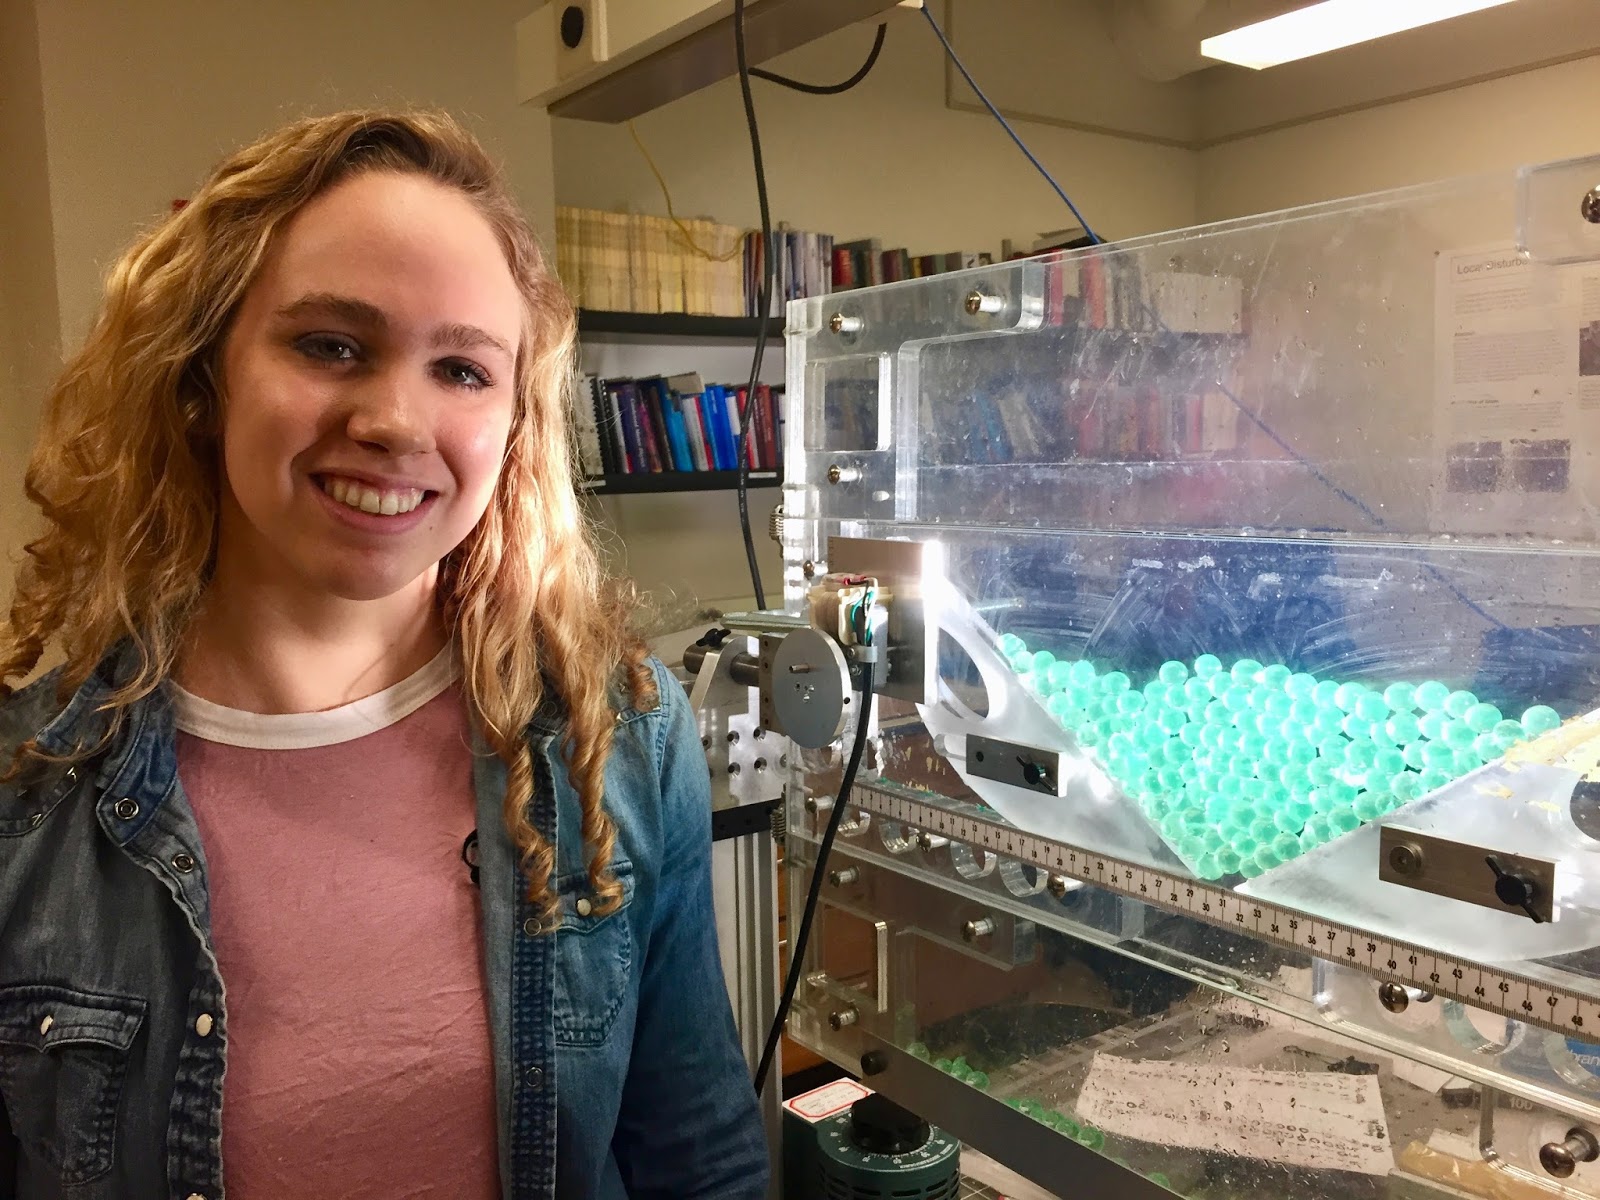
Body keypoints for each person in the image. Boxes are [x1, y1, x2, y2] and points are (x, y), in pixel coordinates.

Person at [0, 110, 768, 1199]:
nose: (398, 423)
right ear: (202, 375)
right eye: (330, 345)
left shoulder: (619, 739)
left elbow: (696, 1152)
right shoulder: (26, 793)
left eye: (462, 369)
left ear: (514, 422)